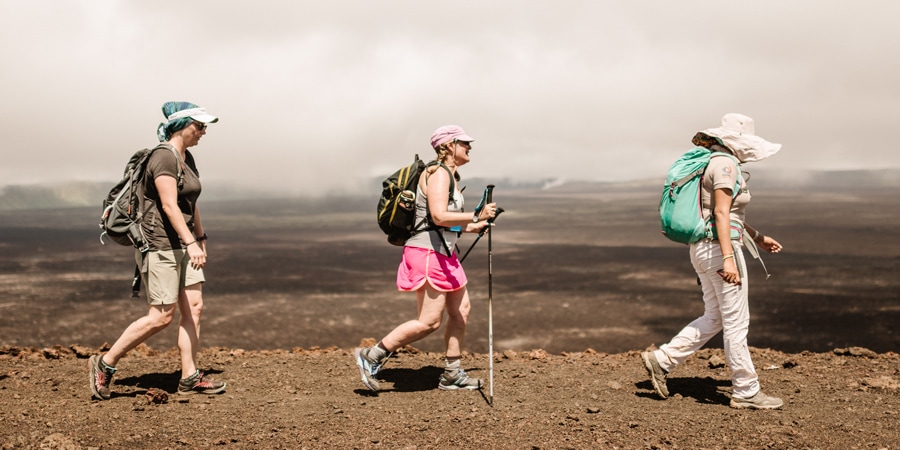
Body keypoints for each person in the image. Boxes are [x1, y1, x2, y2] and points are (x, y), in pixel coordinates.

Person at [641, 113, 785, 410]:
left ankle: (663, 359)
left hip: (704, 248)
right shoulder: (726, 164)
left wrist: (758, 237)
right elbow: (720, 214)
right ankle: (746, 390)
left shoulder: (712, 161)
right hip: (720, 250)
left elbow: (724, 214)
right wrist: (730, 258)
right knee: (736, 321)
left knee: (716, 316)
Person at [89, 102, 226, 400]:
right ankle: (106, 362)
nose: (203, 132)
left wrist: (199, 236)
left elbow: (191, 202)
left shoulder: (186, 158)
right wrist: (190, 241)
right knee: (161, 316)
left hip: (184, 242)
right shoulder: (163, 157)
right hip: (160, 244)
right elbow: (168, 204)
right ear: (181, 125)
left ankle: (189, 376)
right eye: (199, 126)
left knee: (195, 308)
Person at [355, 125, 498, 392]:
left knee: (461, 311)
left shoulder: (449, 176)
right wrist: (478, 216)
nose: (469, 147)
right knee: (429, 321)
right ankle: (372, 355)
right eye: (464, 142)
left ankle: (452, 374)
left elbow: (438, 223)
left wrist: (470, 227)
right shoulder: (439, 174)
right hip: (428, 254)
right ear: (448, 145)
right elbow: (439, 216)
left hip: (443, 253)